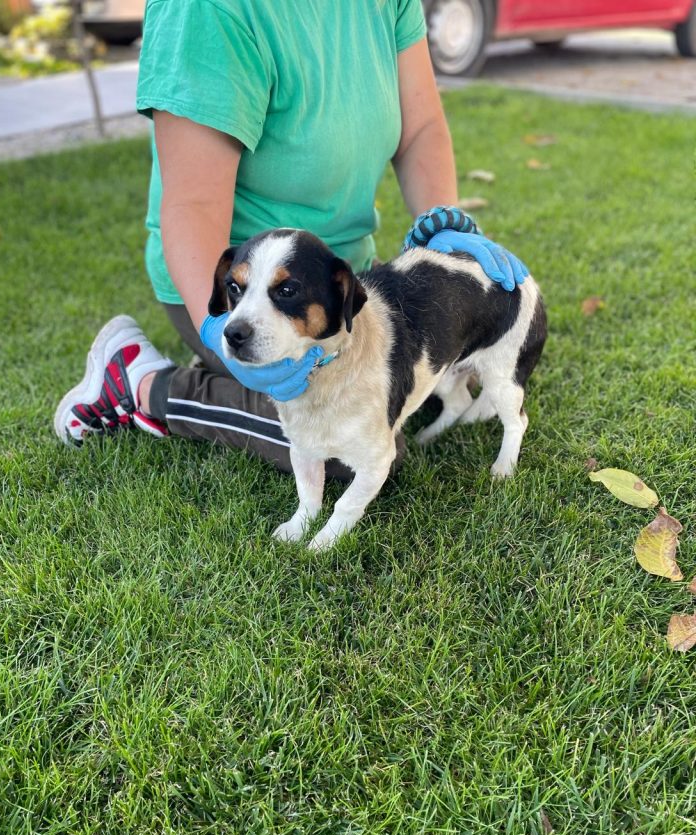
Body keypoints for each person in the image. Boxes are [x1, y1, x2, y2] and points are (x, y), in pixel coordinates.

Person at [54, 0, 527, 477]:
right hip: (229, 291)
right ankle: (142, 384)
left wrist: (441, 228)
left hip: (340, 283)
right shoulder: (206, 10)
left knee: (416, 384)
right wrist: (221, 332)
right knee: (356, 452)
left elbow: (420, 129)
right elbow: (191, 207)